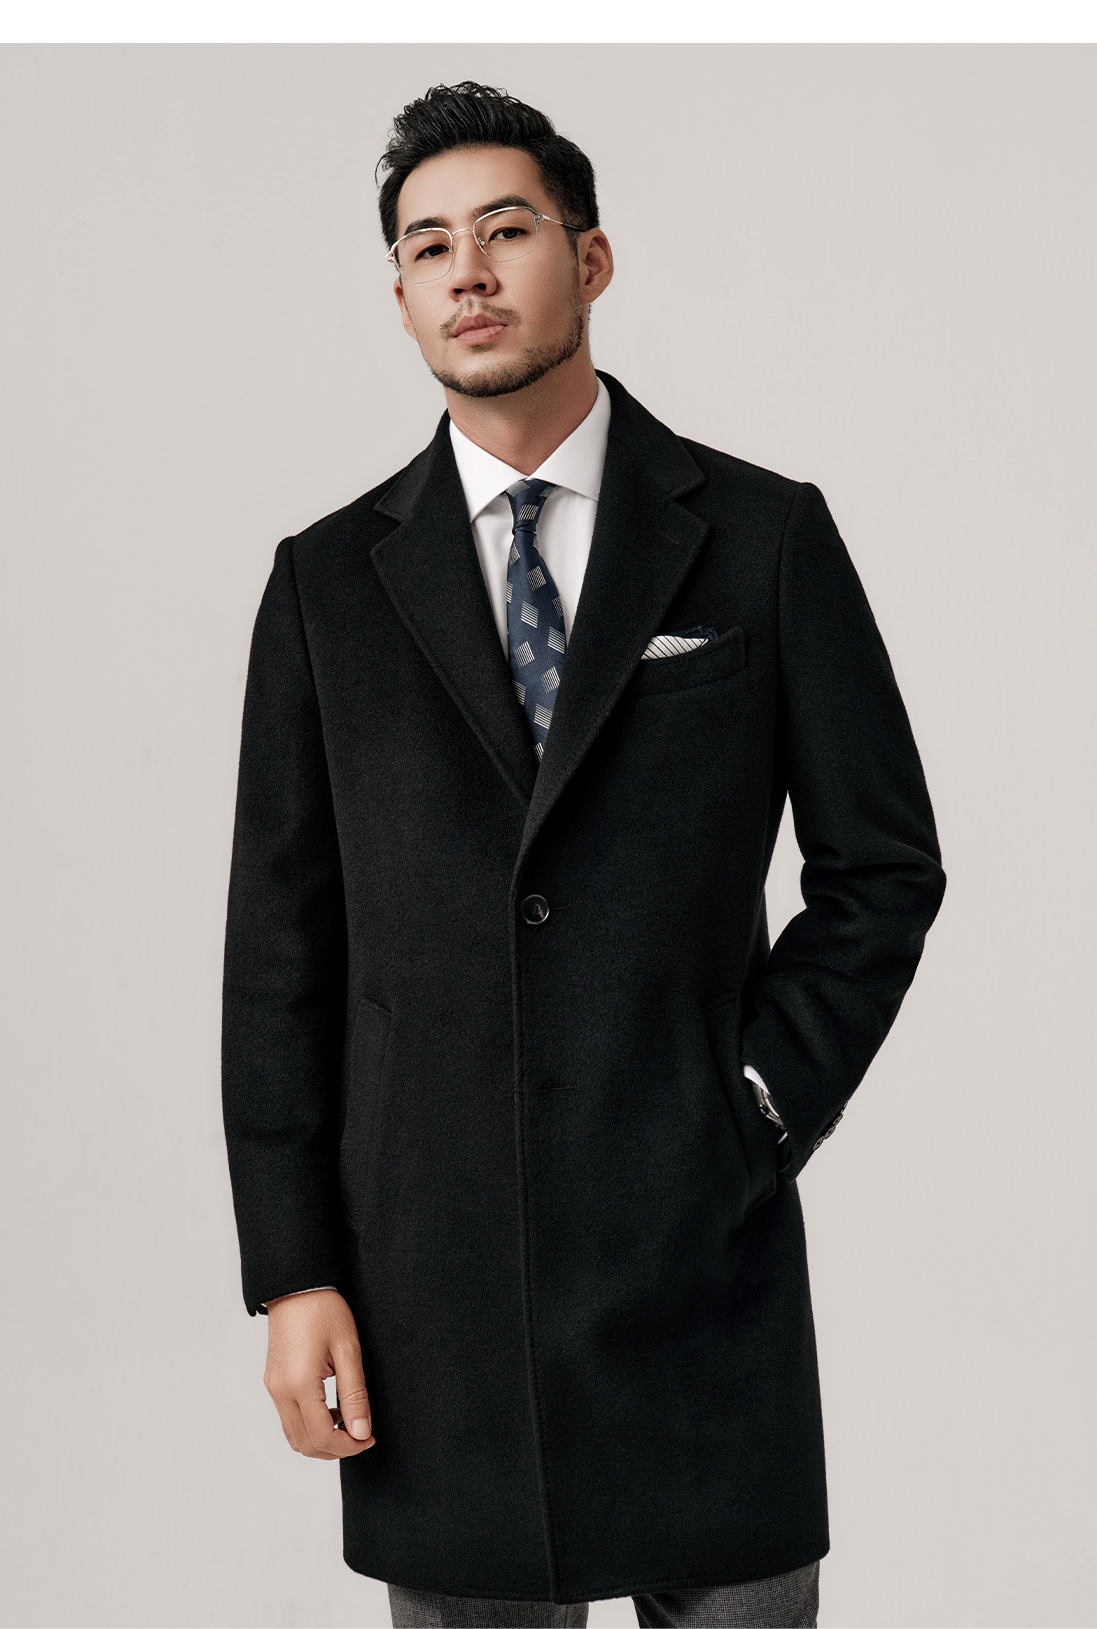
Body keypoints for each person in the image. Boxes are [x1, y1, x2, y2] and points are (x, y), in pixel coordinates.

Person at [220, 81, 946, 1629]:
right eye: (428, 247)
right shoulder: (327, 588)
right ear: (401, 297)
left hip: (702, 1270)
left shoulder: (761, 536)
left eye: (506, 230)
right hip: (433, 1296)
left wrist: (757, 1101)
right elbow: (281, 957)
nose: (468, 272)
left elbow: (883, 866)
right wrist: (294, 1271)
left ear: (591, 258)